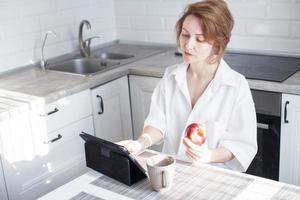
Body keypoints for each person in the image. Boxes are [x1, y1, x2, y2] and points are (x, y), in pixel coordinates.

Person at [118, 0, 257, 172]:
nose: (188, 45)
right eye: (185, 35)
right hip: (173, 171)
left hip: (215, 175)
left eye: (200, 39)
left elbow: (241, 144)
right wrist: (141, 142)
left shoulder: (235, 86)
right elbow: (157, 123)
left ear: (217, 45)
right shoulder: (171, 77)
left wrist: (207, 156)